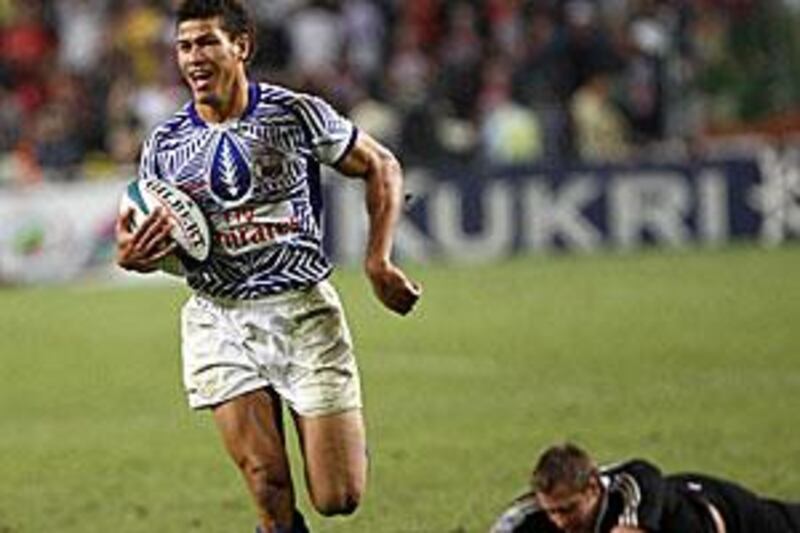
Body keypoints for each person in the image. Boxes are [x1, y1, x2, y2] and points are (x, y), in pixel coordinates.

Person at [114, 1, 422, 532]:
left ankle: (336, 442)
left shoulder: (294, 114)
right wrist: (133, 255)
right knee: (266, 480)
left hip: (303, 312)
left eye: (208, 42)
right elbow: (138, 230)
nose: (194, 57)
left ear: (243, 46)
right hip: (219, 317)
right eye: (185, 46)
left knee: (337, 496)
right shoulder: (164, 145)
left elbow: (381, 165)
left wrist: (378, 261)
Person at [491, 442, 800, 533]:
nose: (560, 520)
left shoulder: (634, 493)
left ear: (593, 489)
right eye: (552, 512)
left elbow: (640, 471)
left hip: (731, 514)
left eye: (568, 509)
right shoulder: (528, 518)